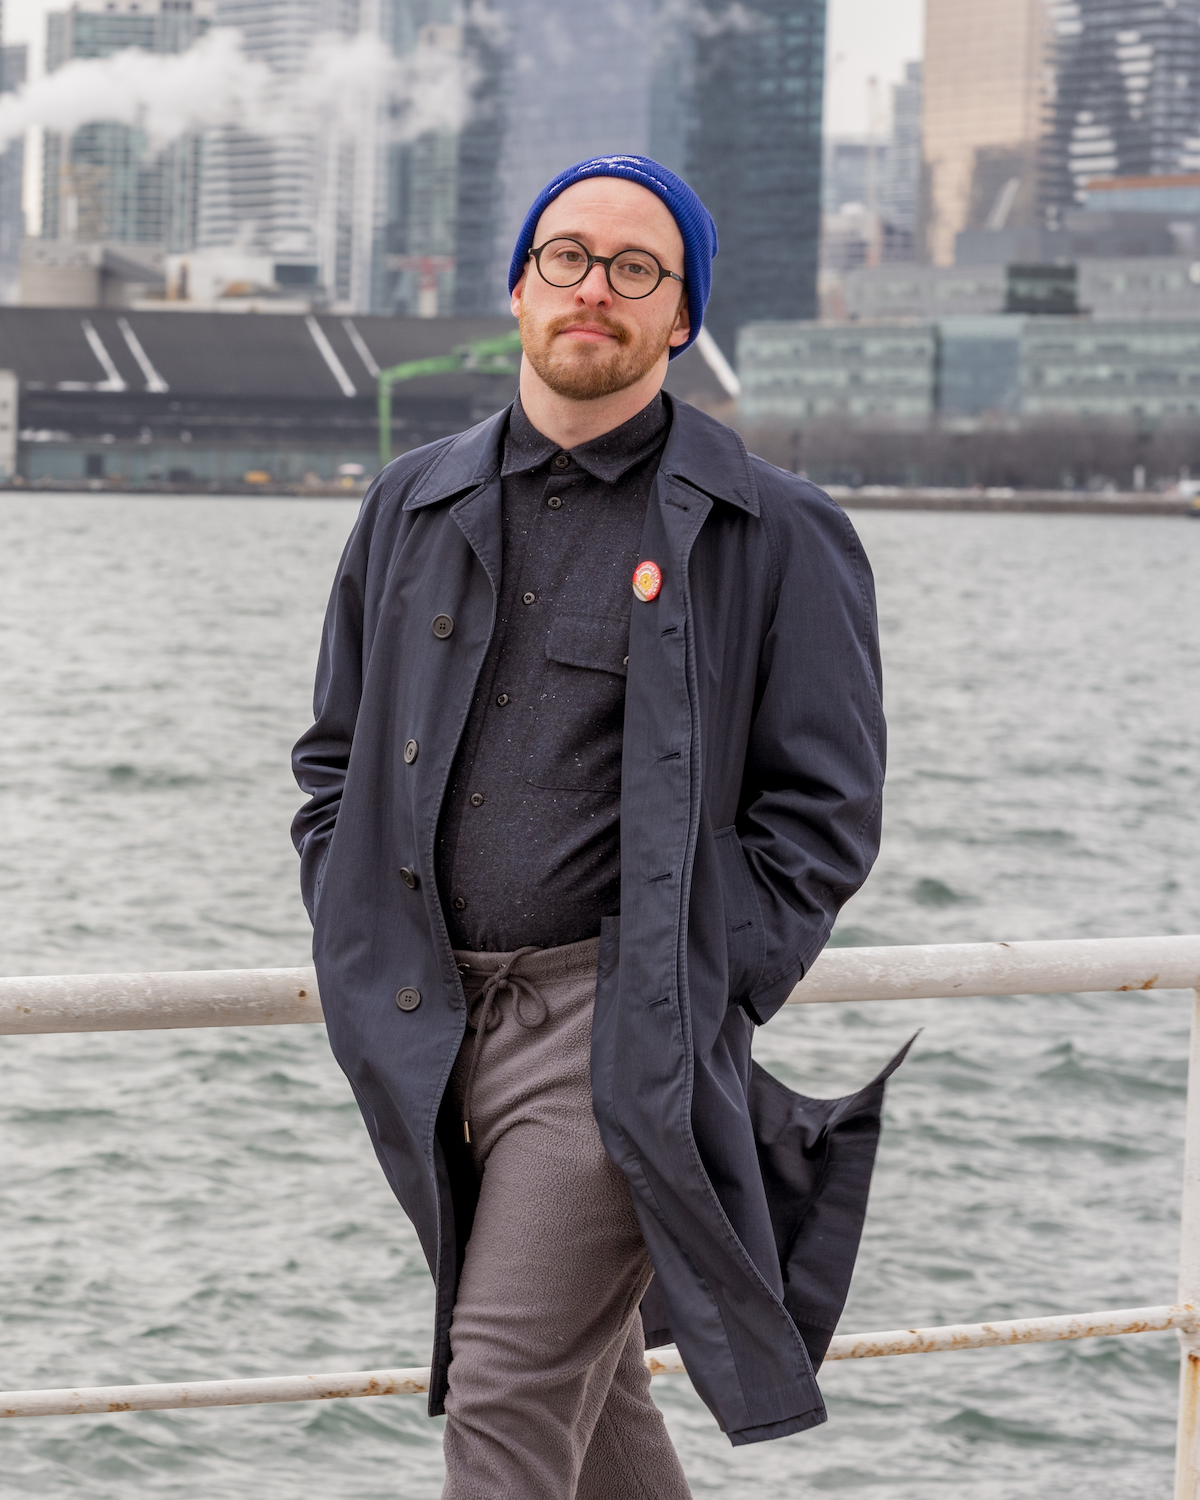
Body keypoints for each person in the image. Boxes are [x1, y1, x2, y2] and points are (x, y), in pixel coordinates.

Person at [292, 155, 894, 1499]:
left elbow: (825, 813)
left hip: (616, 1027)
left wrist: (693, 979)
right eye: (566, 257)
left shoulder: (776, 531)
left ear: (680, 317)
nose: (594, 290)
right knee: (585, 1383)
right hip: (426, 1024)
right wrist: (350, 918)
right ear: (517, 286)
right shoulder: (411, 502)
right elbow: (333, 758)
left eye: (638, 269)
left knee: (503, 1381)